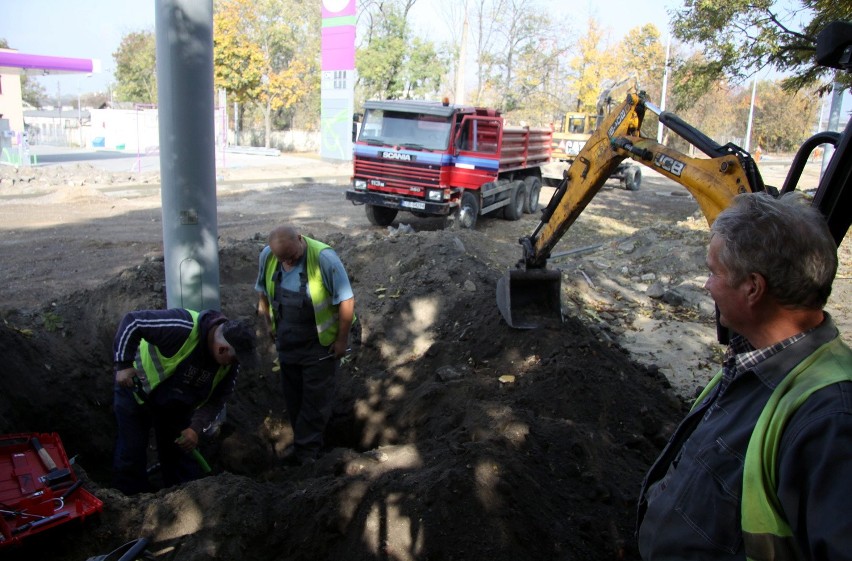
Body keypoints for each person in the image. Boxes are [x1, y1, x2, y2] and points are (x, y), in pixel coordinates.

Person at [636, 191, 852, 560]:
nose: (707, 285)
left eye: (713, 272)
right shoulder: (754, 362)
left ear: (753, 287)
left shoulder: (830, 421)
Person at [111, 308, 256, 495]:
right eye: (235, 358)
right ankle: (128, 502)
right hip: (136, 391)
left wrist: (195, 428)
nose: (236, 364)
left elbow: (217, 400)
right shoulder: (182, 327)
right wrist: (124, 364)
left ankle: (183, 502)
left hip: (175, 405)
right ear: (222, 349)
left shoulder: (229, 367)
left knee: (179, 457)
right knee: (131, 452)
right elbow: (132, 322)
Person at [255, 225, 355, 465]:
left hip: (319, 344)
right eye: (283, 259)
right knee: (293, 397)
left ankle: (308, 454)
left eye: (292, 256)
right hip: (288, 341)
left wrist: (341, 341)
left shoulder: (324, 259)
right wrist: (267, 323)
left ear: (300, 239)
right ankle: (303, 444)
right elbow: (262, 291)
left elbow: (346, 300)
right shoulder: (268, 256)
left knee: (315, 399)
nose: (288, 262)